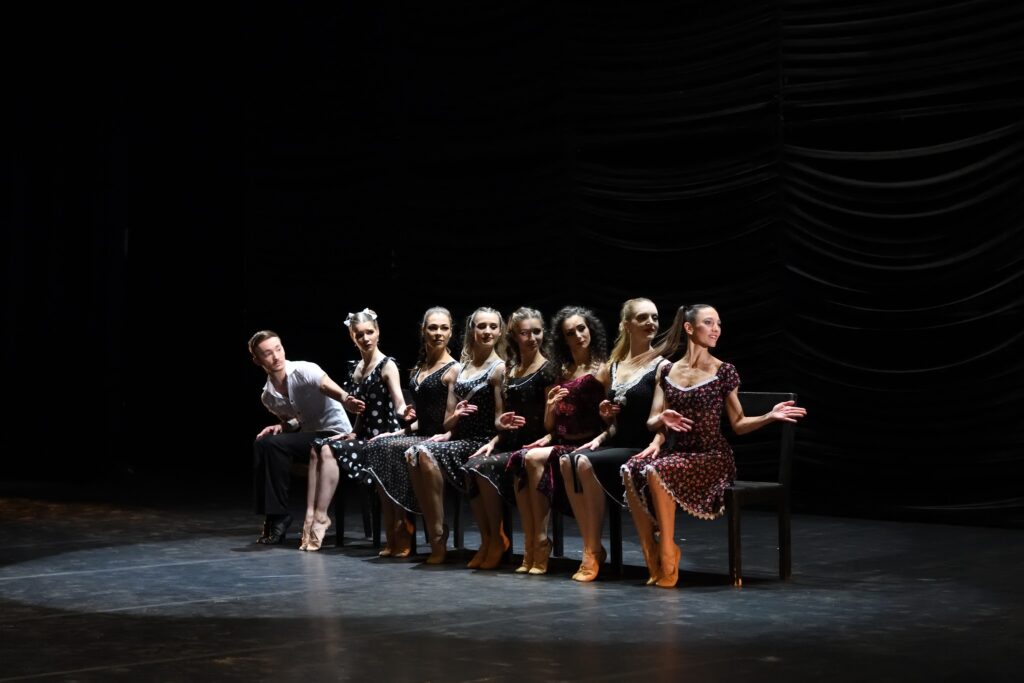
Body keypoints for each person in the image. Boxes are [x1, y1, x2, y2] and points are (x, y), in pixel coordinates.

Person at [621, 304, 807, 588]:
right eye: (708, 323)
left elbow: (739, 423)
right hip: (678, 453)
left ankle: (668, 550)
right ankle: (651, 552)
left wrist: (769, 416)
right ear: (689, 328)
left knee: (656, 470)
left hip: (712, 457)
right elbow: (651, 421)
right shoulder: (667, 370)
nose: (716, 329)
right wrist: (662, 419)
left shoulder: (724, 371)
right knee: (631, 467)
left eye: (718, 323)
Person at [558, 297, 669, 582]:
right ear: (626, 325)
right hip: (618, 443)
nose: (651, 323)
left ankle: (595, 552)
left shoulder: (662, 366)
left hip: (643, 446)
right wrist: (605, 422)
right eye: (643, 317)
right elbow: (614, 421)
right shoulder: (614, 366)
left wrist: (656, 442)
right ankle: (591, 546)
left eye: (654, 317)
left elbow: (663, 419)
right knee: (568, 461)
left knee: (584, 463)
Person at [302, 309, 414, 551]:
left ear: (378, 332)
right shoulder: (355, 368)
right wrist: (353, 431)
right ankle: (315, 516)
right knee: (320, 446)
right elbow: (362, 410)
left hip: (384, 436)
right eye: (359, 334)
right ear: (352, 337)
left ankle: (320, 520)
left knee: (329, 449)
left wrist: (404, 412)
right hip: (364, 436)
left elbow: (398, 402)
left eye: (369, 332)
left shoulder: (387, 365)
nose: (365, 338)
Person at [351, 306, 459, 557]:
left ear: (451, 332)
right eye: (433, 328)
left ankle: (405, 526)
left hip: (440, 437)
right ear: (423, 331)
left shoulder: (454, 368)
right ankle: (393, 528)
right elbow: (421, 418)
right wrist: (398, 432)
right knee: (379, 444)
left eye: (443, 328)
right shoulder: (421, 367)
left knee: (398, 449)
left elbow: (446, 422)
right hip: (421, 432)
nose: (438, 333)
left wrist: (406, 432)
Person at [508, 305, 609, 575]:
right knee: (524, 457)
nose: (578, 336)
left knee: (537, 458)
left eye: (581, 329)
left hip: (589, 442)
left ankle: (579, 549)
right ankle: (535, 542)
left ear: (590, 329)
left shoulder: (603, 369)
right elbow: (549, 425)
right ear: (563, 339)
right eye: (570, 333)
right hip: (564, 441)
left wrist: (604, 428)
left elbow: (612, 420)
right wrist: (551, 407)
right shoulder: (562, 371)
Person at [406, 307, 508, 565]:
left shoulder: (499, 368)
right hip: (462, 439)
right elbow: (448, 421)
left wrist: (500, 429)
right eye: (481, 326)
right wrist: (456, 419)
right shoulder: (463, 368)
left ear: (500, 332)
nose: (487, 331)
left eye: (493, 327)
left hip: (484, 441)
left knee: (442, 457)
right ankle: (438, 533)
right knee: (415, 453)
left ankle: (494, 539)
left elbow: (499, 421)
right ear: (472, 331)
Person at [464, 307, 555, 570]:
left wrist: (548, 426)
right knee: (474, 466)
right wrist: (496, 434)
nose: (532, 338)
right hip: (512, 443)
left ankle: (538, 543)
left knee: (520, 463)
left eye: (536, 332)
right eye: (525, 333)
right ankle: (493, 540)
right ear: (514, 335)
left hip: (538, 443)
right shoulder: (509, 370)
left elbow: (554, 424)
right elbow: (499, 419)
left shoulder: (549, 369)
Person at [249, 330, 356, 545]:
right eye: (268, 353)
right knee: (262, 443)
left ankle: (276, 518)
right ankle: (275, 516)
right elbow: (297, 421)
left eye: (278, 349)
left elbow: (325, 385)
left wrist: (346, 398)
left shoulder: (304, 369)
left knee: (273, 445)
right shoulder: (268, 396)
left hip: (336, 436)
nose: (276, 357)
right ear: (257, 360)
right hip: (311, 440)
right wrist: (282, 426)